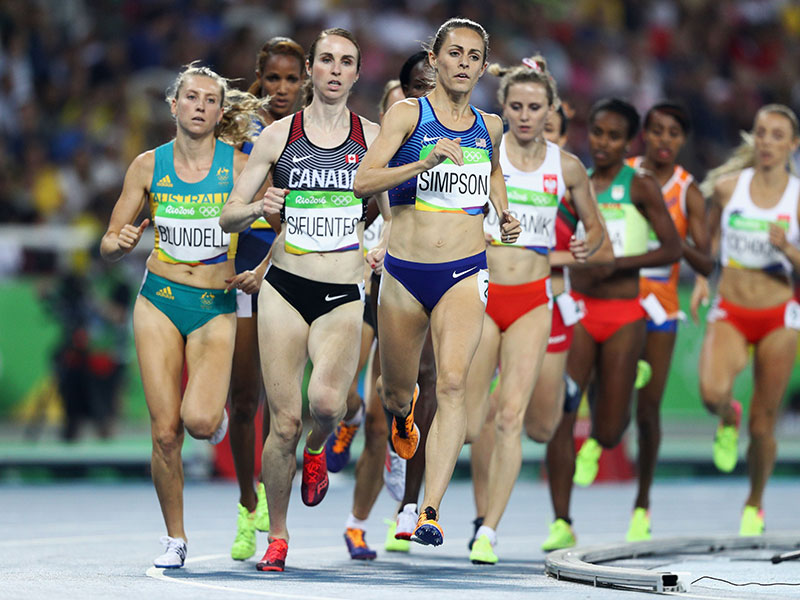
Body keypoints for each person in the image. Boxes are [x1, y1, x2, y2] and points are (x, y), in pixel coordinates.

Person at [220, 28, 389, 572]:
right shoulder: (276, 137)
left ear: (357, 74)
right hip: (285, 289)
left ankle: (319, 450)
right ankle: (278, 534)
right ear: (312, 70)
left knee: (325, 407)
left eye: (346, 62)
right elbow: (228, 213)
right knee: (283, 422)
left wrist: (383, 244)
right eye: (326, 61)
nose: (335, 70)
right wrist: (256, 205)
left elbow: (393, 213)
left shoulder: (373, 135)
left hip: (343, 291)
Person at [353, 17, 521, 547]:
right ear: (436, 60)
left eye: (475, 56)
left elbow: (491, 171)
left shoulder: (490, 126)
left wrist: (504, 211)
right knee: (396, 392)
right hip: (404, 273)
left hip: (465, 272)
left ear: (482, 65)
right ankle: (403, 417)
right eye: (456, 54)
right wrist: (419, 164)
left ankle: (429, 509)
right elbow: (361, 179)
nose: (465, 64)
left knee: (451, 385)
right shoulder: (407, 113)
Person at [100, 64, 266, 568]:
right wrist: (120, 243)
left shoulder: (240, 166)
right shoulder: (148, 166)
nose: (198, 105)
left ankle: (208, 419)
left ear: (220, 111)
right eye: (189, 97)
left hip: (216, 305)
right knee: (165, 430)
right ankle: (175, 537)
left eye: (209, 99)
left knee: (197, 421)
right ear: (173, 106)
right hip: (159, 302)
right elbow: (109, 241)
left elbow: (286, 223)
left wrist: (261, 267)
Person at [462, 57, 611, 565]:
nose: (525, 116)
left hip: (532, 300)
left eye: (535, 107)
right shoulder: (482, 152)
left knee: (513, 419)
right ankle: (468, 507)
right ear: (502, 108)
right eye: (516, 106)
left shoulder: (565, 167)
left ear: (551, 110)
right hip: (481, 296)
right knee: (468, 422)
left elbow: (598, 235)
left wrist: (575, 252)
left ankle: (489, 530)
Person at [541, 98, 681, 551]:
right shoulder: (573, 180)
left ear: (628, 142)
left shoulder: (638, 186)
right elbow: (554, 234)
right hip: (579, 309)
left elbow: (671, 249)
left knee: (608, 432)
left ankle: (609, 412)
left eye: (614, 136)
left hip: (624, 316)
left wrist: (617, 262)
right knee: (561, 412)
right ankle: (561, 520)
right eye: (597, 132)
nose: (603, 143)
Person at [695, 104, 800, 536]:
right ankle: (725, 416)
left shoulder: (797, 196)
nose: (768, 142)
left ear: (792, 145)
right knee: (710, 391)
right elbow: (708, 237)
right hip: (732, 309)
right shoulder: (727, 188)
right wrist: (703, 277)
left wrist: (788, 250)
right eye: (761, 133)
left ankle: (754, 501)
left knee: (764, 426)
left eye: (778, 135)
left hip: (779, 315)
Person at [229, 35, 306, 563]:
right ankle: (247, 504)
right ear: (260, 75)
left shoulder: (323, 128)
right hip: (245, 270)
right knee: (244, 399)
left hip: (298, 270)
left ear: (305, 81)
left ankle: (321, 447)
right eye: (272, 78)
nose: (281, 88)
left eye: (290, 79)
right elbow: (231, 196)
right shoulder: (238, 128)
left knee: (298, 405)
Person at [622, 102, 712, 541]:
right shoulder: (622, 173)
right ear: (644, 134)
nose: (663, 139)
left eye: (673, 133)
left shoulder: (688, 190)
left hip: (659, 304)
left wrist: (672, 241)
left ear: (683, 140)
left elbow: (707, 262)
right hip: (615, 297)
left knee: (649, 409)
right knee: (613, 403)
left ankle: (642, 502)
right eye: (656, 130)